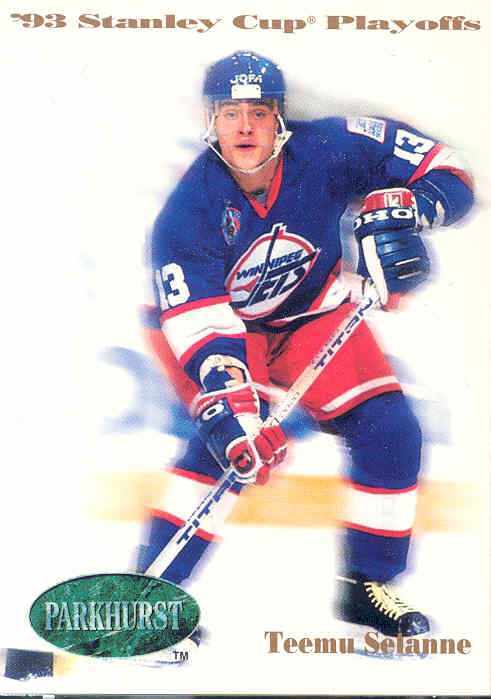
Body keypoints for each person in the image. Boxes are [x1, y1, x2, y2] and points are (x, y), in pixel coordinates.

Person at [138, 51, 474, 637]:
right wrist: (235, 410)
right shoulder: (187, 212)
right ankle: (151, 598)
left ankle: (368, 585)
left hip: (310, 311)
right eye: (230, 113)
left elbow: (447, 170)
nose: (245, 127)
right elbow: (202, 326)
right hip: (219, 330)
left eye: (258, 112)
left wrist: (414, 208)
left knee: (391, 429)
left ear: (280, 118)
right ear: (210, 121)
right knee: (227, 449)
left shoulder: (331, 148)